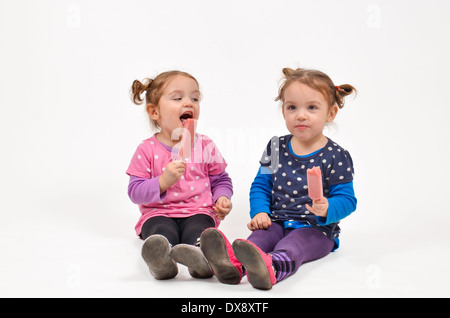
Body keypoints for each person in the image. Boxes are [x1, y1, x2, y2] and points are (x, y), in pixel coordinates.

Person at [201, 67, 357, 290]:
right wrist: (260, 212)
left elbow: (348, 200)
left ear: (330, 113)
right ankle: (233, 266)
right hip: (275, 220)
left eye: (312, 107)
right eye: (292, 107)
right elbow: (261, 185)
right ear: (283, 111)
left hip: (315, 229)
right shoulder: (276, 147)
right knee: (255, 242)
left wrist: (327, 207)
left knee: (293, 245)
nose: (300, 115)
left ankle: (272, 268)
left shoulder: (336, 156)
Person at [126, 70, 233, 280]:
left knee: (201, 231)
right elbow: (135, 192)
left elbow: (221, 179)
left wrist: (222, 197)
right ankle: (162, 261)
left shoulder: (205, 145)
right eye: (178, 98)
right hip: (158, 213)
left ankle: (202, 259)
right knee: (160, 232)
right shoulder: (146, 149)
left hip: (198, 211)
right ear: (154, 111)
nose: (189, 103)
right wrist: (163, 181)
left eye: (194, 98)